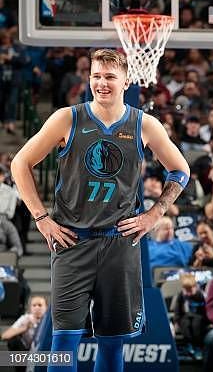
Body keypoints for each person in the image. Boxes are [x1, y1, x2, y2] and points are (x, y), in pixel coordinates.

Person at [10, 49, 190, 372]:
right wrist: (40, 217)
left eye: (109, 76)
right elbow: (19, 163)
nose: (101, 83)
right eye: (96, 76)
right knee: (62, 344)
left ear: (126, 80)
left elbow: (180, 170)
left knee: (112, 345)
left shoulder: (144, 125)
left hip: (119, 244)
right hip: (71, 242)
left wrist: (155, 213)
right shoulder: (67, 118)